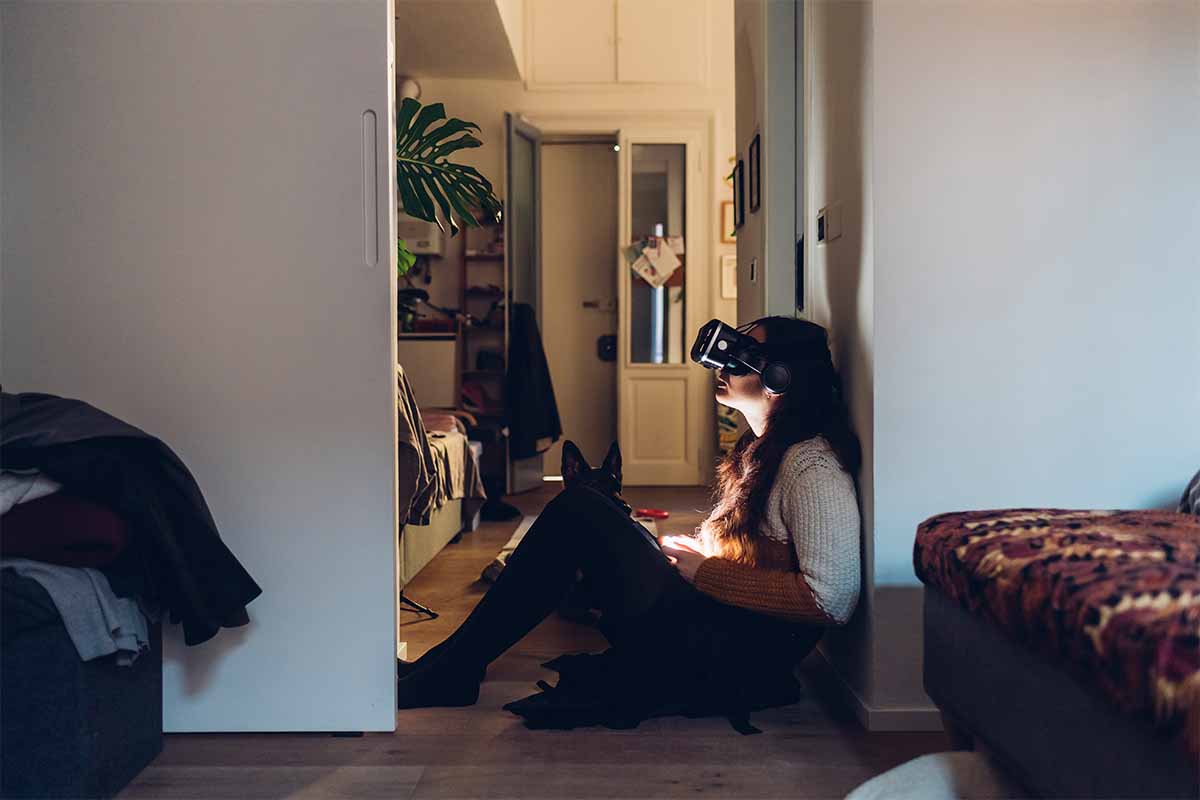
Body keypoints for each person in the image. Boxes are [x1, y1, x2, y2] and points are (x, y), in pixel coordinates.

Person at [396, 316, 862, 725]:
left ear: (779, 377)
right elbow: (756, 552)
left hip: (737, 652)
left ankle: (453, 669)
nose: (723, 367)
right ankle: (451, 664)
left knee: (583, 507)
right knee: (595, 517)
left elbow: (833, 599)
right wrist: (700, 556)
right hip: (717, 621)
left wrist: (707, 571)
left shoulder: (811, 467)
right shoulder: (759, 449)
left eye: (742, 358)